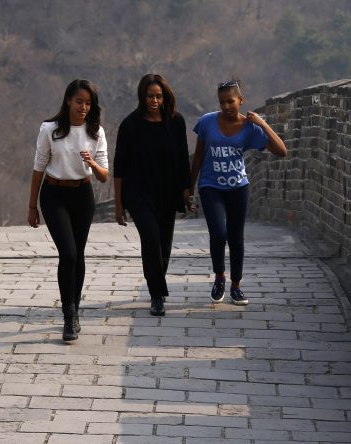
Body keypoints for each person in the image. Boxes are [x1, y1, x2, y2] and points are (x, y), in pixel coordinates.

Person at [190, 79, 287, 305]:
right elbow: (198, 156)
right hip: (210, 186)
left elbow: (282, 151)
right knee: (218, 233)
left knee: (236, 237)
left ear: (240, 100)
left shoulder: (250, 128)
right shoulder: (207, 122)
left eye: (230, 101)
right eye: (222, 102)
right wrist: (189, 188)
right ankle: (219, 278)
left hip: (238, 188)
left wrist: (263, 125)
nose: (225, 106)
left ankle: (236, 286)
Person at [28, 79, 109, 342]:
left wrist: (92, 164)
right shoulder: (50, 130)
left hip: (82, 195)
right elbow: (38, 167)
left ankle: (74, 310)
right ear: (68, 101)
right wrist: (32, 206)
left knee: (79, 254)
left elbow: (104, 175)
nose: (83, 107)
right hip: (54, 195)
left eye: (88, 103)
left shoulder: (96, 133)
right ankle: (68, 313)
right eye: (79, 101)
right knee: (69, 253)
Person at [113, 74, 193, 317]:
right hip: (138, 192)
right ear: (142, 96)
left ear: (165, 95)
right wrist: (119, 205)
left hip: (167, 191)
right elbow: (119, 167)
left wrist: (186, 191)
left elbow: (182, 158)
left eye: (158, 95)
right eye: (150, 96)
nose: (154, 100)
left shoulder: (175, 122)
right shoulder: (130, 125)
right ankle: (157, 295)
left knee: (164, 245)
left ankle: (155, 286)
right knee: (150, 238)